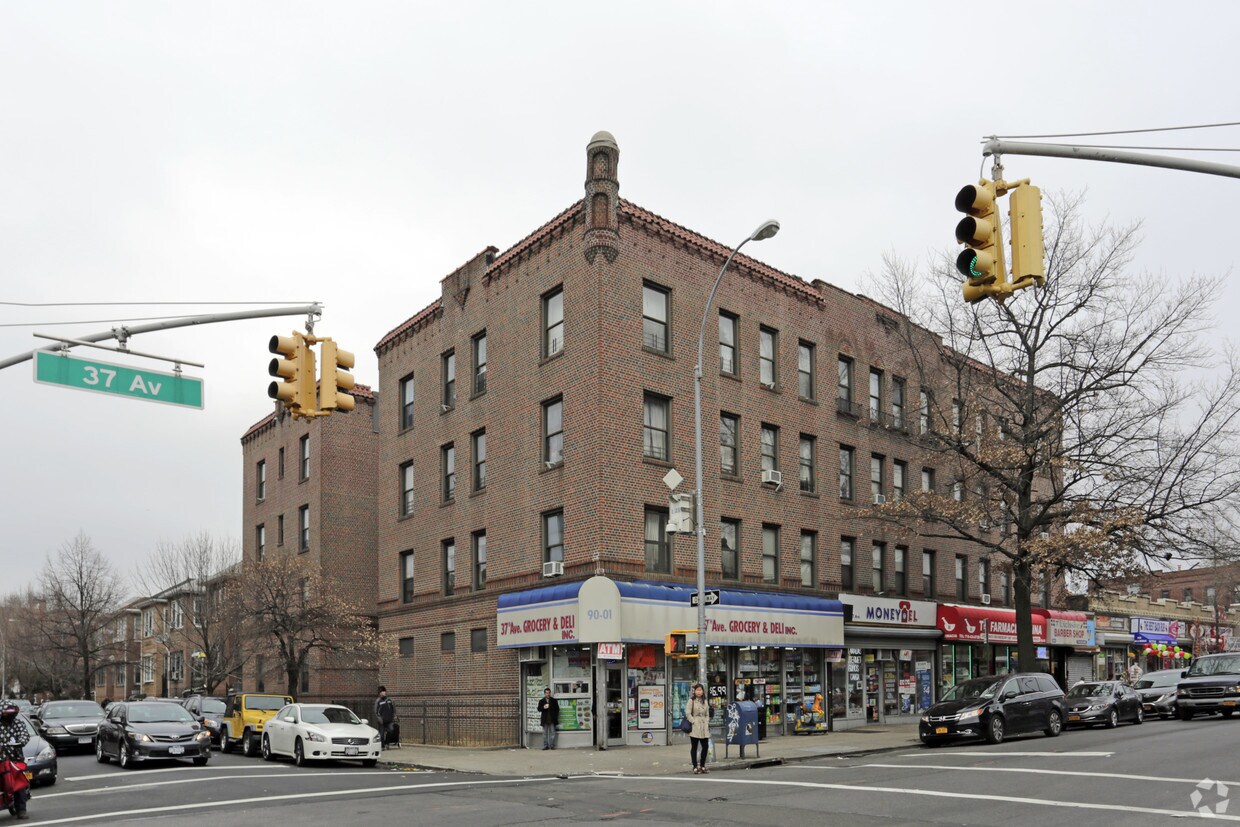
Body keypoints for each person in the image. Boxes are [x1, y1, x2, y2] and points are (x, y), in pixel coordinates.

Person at [0, 703, 30, 819]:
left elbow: (24, 735)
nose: (10, 717)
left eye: (13, 714)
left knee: (18, 784)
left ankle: (21, 810)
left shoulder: (18, 723)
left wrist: (20, 742)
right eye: (8, 714)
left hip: (14, 759)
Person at [686, 683, 711, 774]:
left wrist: (707, 721)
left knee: (705, 746)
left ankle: (703, 765)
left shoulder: (705, 701)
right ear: (695, 691)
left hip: (704, 726)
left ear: (703, 691)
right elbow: (688, 713)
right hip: (695, 727)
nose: (699, 692)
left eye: (700, 690)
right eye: (697, 690)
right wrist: (693, 721)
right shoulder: (691, 701)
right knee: (694, 747)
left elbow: (707, 714)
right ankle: (695, 766)